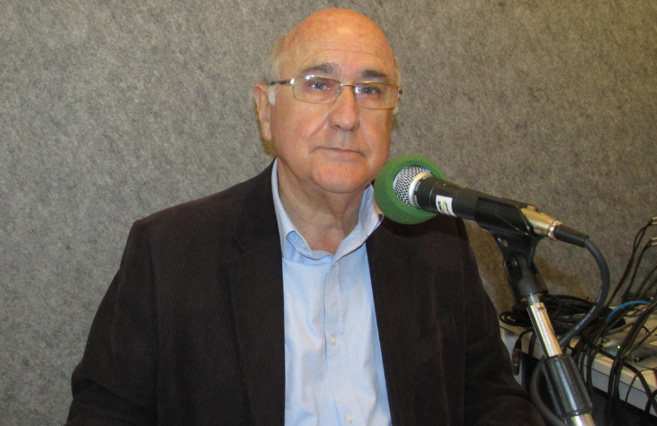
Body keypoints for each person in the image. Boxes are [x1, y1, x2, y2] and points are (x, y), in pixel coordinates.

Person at [67, 9, 545, 425]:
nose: (347, 116)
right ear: (265, 110)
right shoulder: (170, 251)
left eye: (371, 90)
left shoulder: (435, 239)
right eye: (319, 84)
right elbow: (107, 413)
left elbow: (491, 397)